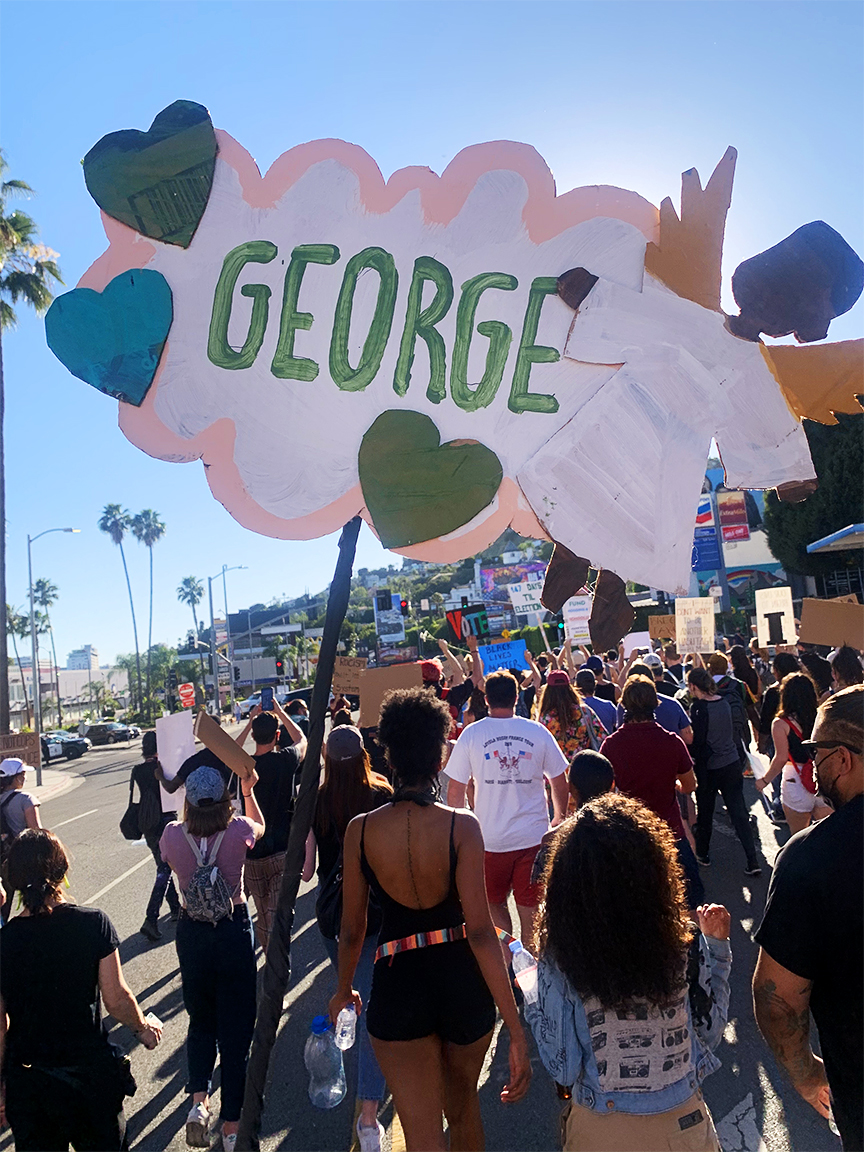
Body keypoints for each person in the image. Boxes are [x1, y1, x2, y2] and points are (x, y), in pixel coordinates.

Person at [329, 688, 531, 1152]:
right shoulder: (462, 825)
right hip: (462, 981)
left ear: (389, 755)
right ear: (440, 752)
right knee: (464, 1112)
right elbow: (481, 931)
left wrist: (343, 989)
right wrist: (514, 1026)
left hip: (398, 981)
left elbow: (352, 930)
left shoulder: (361, 831)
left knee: (421, 1136)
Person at [526, 794, 732, 1151]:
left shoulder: (562, 956)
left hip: (602, 1129)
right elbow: (709, 1034)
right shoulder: (682, 942)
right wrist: (719, 952)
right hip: (683, 1125)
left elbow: (563, 1066)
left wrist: (531, 996)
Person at [0, 829, 162, 1151]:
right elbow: (115, 998)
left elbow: (0, 1026)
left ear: (14, 879)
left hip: (31, 1084)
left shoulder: (3, 943)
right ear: (61, 872)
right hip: (89, 1079)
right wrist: (143, 1028)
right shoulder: (93, 924)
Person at [753, 686, 863, 1151]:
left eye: (816, 752)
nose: (812, 764)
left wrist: (804, 1073)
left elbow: (778, 1002)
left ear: (842, 759)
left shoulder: (809, 858)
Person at [160, 766, 265, 1152]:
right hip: (231, 928)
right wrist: (249, 792)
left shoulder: (172, 835)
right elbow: (260, 827)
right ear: (225, 799)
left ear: (188, 802)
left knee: (200, 1019)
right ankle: (232, 1125)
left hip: (193, 933)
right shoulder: (238, 830)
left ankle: (198, 1103)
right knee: (237, 1033)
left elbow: (168, 861)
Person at [303, 725, 392, 1152]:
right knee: (374, 1006)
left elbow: (306, 869)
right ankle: (369, 1115)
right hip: (376, 912)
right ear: (363, 755)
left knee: (352, 993)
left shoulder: (317, 799)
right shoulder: (381, 793)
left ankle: (348, 1052)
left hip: (333, 916)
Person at [447, 670, 569, 944]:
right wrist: (559, 818)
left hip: (489, 841)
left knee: (494, 906)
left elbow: (455, 792)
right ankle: (530, 969)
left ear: (486, 699)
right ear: (516, 698)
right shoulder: (536, 731)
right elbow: (560, 779)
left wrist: (462, 831)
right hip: (533, 839)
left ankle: (510, 964)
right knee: (531, 912)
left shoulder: (471, 735)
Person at [600, 676, 704, 907]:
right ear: (655, 703)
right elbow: (690, 786)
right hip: (669, 829)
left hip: (630, 832)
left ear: (624, 704)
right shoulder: (672, 741)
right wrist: (673, 784)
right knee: (688, 899)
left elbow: (605, 793)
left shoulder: (611, 744)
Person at [239, 706, 305, 951]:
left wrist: (249, 722)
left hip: (252, 852)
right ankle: (276, 960)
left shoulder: (243, 766)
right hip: (281, 849)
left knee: (263, 910)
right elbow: (302, 739)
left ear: (254, 736)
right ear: (277, 736)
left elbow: (226, 751)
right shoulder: (285, 759)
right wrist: (280, 711)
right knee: (277, 913)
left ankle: (270, 956)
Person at [688, 667, 761, 875]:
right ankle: (752, 860)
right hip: (731, 762)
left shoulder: (699, 708)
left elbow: (700, 741)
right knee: (739, 812)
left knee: (705, 812)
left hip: (710, 767)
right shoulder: (724, 702)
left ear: (694, 686)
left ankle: (703, 854)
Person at [756, 672, 831, 833]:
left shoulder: (781, 723)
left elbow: (781, 758)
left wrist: (764, 780)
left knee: (798, 837)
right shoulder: (822, 716)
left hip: (794, 779)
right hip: (822, 777)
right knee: (826, 835)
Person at [132, 731, 181, 942]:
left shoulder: (138, 770)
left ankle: (175, 906)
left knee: (163, 864)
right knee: (165, 869)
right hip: (165, 820)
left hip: (148, 822)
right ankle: (151, 918)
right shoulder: (161, 768)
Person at [536, 669, 607, 759]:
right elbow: (603, 737)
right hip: (583, 766)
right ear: (570, 688)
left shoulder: (545, 718)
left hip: (557, 770)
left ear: (548, 691)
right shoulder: (584, 711)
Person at [615, 663, 693, 744]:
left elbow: (620, 736)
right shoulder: (673, 704)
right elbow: (688, 738)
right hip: (668, 751)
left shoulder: (623, 707)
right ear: (652, 682)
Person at [574, 668, 617, 732]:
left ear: (576, 686)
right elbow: (620, 725)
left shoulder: (574, 708)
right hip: (605, 741)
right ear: (595, 684)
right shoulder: (608, 706)